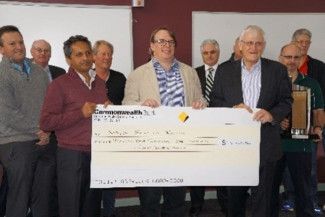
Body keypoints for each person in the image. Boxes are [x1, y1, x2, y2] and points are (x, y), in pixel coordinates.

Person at [210, 25, 292, 217]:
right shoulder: (224, 70)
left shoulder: (277, 70)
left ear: (263, 46)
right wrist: (232, 110)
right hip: (234, 146)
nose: (253, 47)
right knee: (234, 200)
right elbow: (215, 101)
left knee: (265, 200)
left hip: (267, 144)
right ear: (240, 45)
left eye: (257, 43)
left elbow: (287, 100)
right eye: (248, 43)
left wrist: (272, 115)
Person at [122, 27, 206, 217]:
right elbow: (127, 104)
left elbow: (202, 99)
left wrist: (201, 103)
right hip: (150, 147)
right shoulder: (138, 74)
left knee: (176, 199)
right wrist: (142, 104)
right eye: (161, 41)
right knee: (150, 200)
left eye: (170, 42)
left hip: (181, 146)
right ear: (152, 46)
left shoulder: (189, 72)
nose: (166, 46)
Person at [40, 35, 108, 217]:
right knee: (72, 207)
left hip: (98, 153)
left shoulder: (99, 83)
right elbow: (46, 122)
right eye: (79, 54)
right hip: (72, 156)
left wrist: (109, 108)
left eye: (87, 53)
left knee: (92, 207)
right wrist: (80, 113)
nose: (85, 58)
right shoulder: (59, 85)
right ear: (69, 59)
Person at [0, 25, 50, 217]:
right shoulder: (2, 74)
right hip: (15, 143)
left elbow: (49, 105)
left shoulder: (38, 71)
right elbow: (7, 114)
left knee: (42, 197)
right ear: (2, 49)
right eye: (12, 43)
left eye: (20, 42)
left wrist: (48, 131)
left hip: (43, 139)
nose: (19, 46)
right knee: (19, 198)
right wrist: (39, 131)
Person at [271, 43, 324, 217]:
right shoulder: (270, 83)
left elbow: (319, 111)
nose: (292, 61)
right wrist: (277, 122)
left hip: (301, 147)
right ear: (280, 57)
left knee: (304, 192)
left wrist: (318, 127)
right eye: (288, 57)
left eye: (296, 57)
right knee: (270, 192)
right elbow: (263, 111)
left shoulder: (311, 84)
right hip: (274, 147)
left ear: (301, 59)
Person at [189, 39, 227, 217]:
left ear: (218, 53)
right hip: (199, 129)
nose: (209, 55)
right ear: (201, 54)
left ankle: (225, 205)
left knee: (222, 169)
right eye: (206, 53)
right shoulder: (193, 73)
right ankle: (196, 205)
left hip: (222, 129)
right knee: (198, 169)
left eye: (213, 52)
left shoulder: (229, 73)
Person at [29, 39, 66, 217]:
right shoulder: (22, 72)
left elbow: (64, 104)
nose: (43, 53)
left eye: (46, 51)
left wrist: (49, 130)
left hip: (55, 135)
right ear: (32, 52)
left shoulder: (60, 73)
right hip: (29, 135)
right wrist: (38, 130)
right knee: (27, 181)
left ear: (50, 54)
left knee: (52, 180)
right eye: (39, 50)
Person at [291, 28, 325, 215]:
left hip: (315, 124)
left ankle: (311, 202)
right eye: (301, 41)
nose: (304, 45)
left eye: (307, 42)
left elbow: (321, 99)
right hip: (292, 125)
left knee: (310, 167)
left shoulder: (319, 66)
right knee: (295, 167)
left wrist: (318, 124)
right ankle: (292, 199)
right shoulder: (282, 69)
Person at [93, 40, 126, 217]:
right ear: (94, 56)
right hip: (88, 137)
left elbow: (129, 104)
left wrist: (115, 108)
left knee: (110, 177)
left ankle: (109, 212)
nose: (107, 58)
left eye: (110, 54)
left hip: (114, 136)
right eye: (103, 54)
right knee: (92, 178)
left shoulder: (120, 78)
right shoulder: (85, 77)